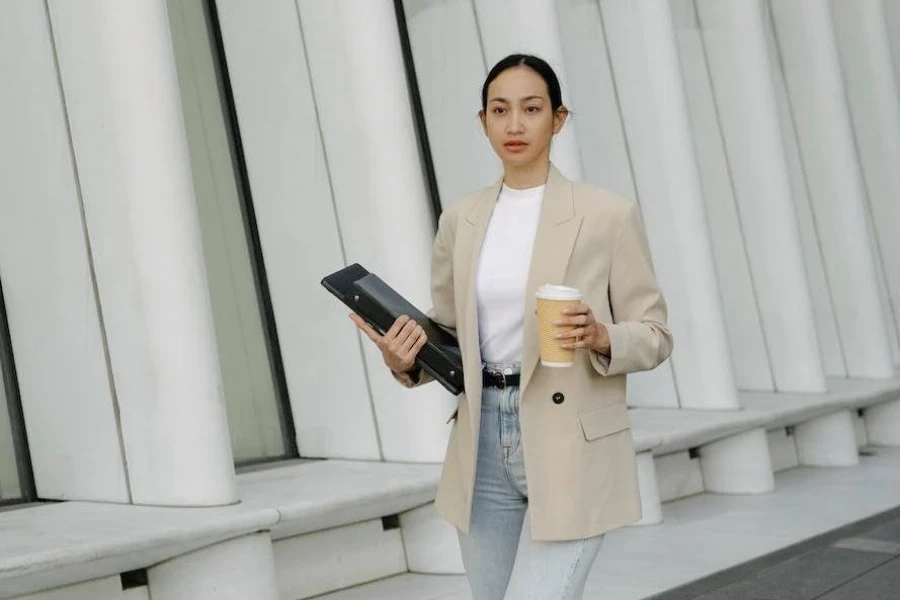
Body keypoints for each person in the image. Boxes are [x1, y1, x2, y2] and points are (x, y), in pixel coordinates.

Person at [350, 54, 673, 600]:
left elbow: (657, 334)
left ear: (559, 118)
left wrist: (600, 336)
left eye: (531, 108)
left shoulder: (607, 215)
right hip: (481, 436)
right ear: (483, 122)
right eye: (500, 110)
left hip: (570, 438)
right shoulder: (461, 219)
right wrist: (405, 360)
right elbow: (449, 334)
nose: (515, 124)